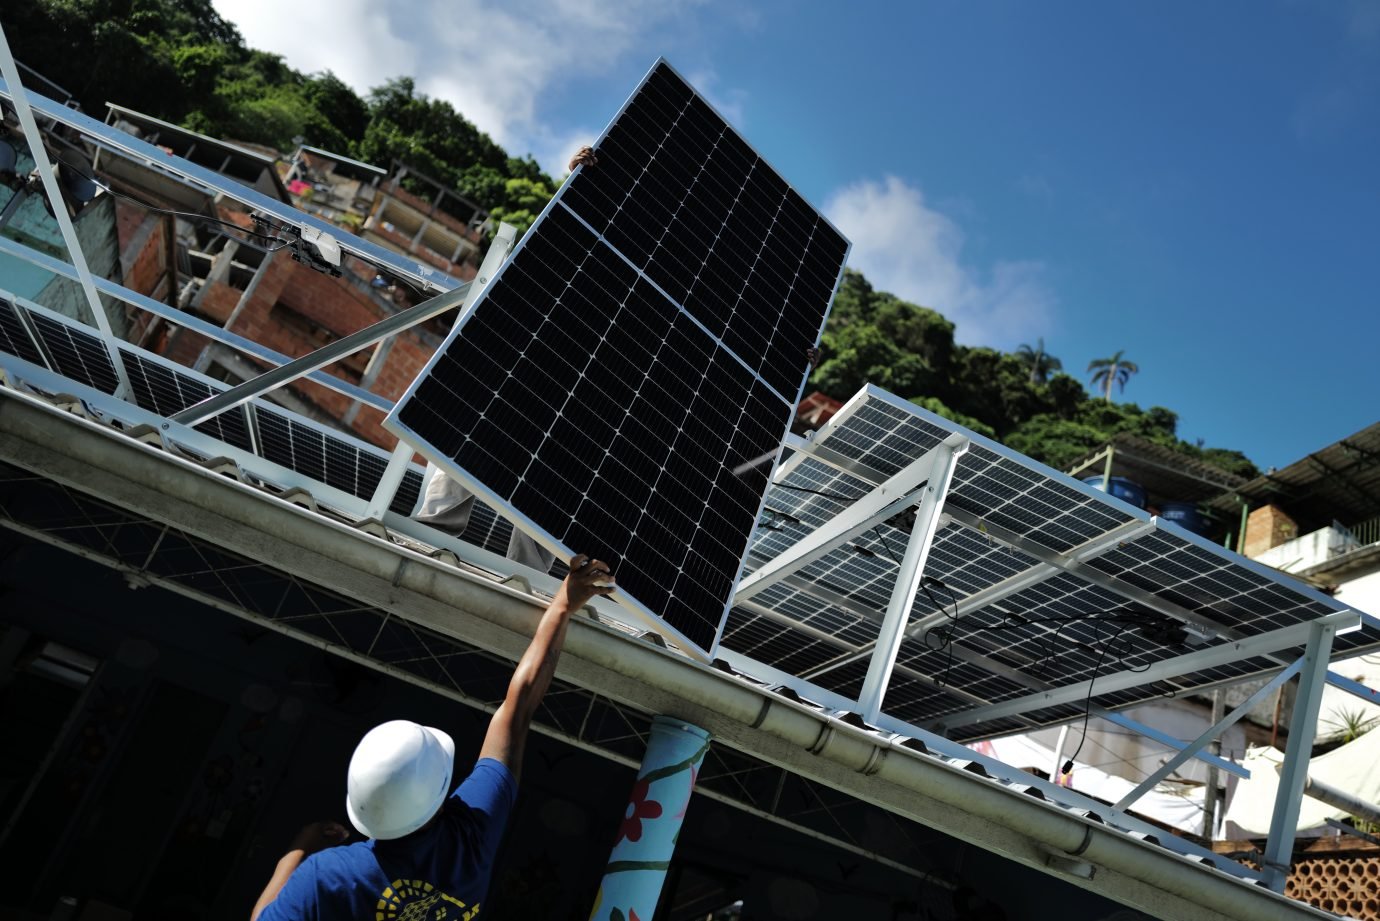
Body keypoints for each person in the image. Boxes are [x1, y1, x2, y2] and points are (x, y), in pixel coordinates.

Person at [250, 553, 615, 921]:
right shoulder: (470, 835)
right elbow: (517, 710)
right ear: (438, 798)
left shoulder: (326, 877)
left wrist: (300, 849)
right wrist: (563, 606)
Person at [412, 145, 600, 576]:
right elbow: (560, 237)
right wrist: (577, 182)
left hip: (583, 371)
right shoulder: (565, 251)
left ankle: (526, 578)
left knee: (556, 467)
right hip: (532, 348)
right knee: (475, 431)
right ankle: (430, 536)